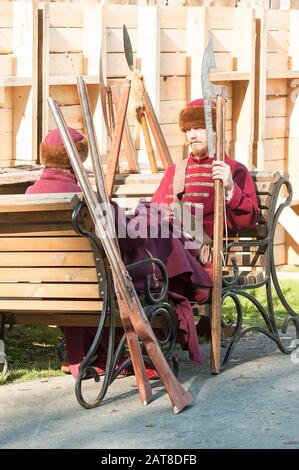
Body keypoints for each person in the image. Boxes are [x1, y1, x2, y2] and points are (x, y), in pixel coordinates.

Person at [151, 98, 259, 337]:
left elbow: (247, 221)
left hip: (204, 254)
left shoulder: (234, 169)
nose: (191, 135)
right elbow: (154, 210)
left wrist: (230, 187)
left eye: (198, 128)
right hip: (168, 248)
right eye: (188, 130)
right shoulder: (175, 171)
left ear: (214, 130)